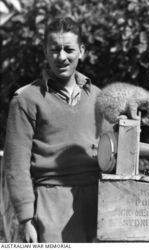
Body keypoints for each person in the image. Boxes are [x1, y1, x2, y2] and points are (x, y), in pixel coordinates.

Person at [3, 16, 101, 243]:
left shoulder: (97, 96)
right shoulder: (26, 99)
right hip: (50, 206)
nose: (62, 57)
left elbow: (111, 150)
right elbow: (16, 165)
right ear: (45, 52)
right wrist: (27, 219)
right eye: (54, 50)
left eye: (69, 49)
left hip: (97, 202)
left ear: (82, 51)